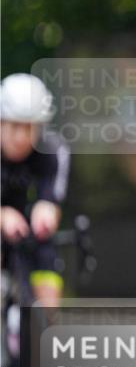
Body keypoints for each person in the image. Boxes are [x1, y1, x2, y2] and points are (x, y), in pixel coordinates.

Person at [1, 74, 71, 309]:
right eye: (14, 126)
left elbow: (51, 201)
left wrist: (47, 212)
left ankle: (44, 334)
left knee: (46, 255)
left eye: (29, 127)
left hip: (27, 230)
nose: (21, 137)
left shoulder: (52, 150)